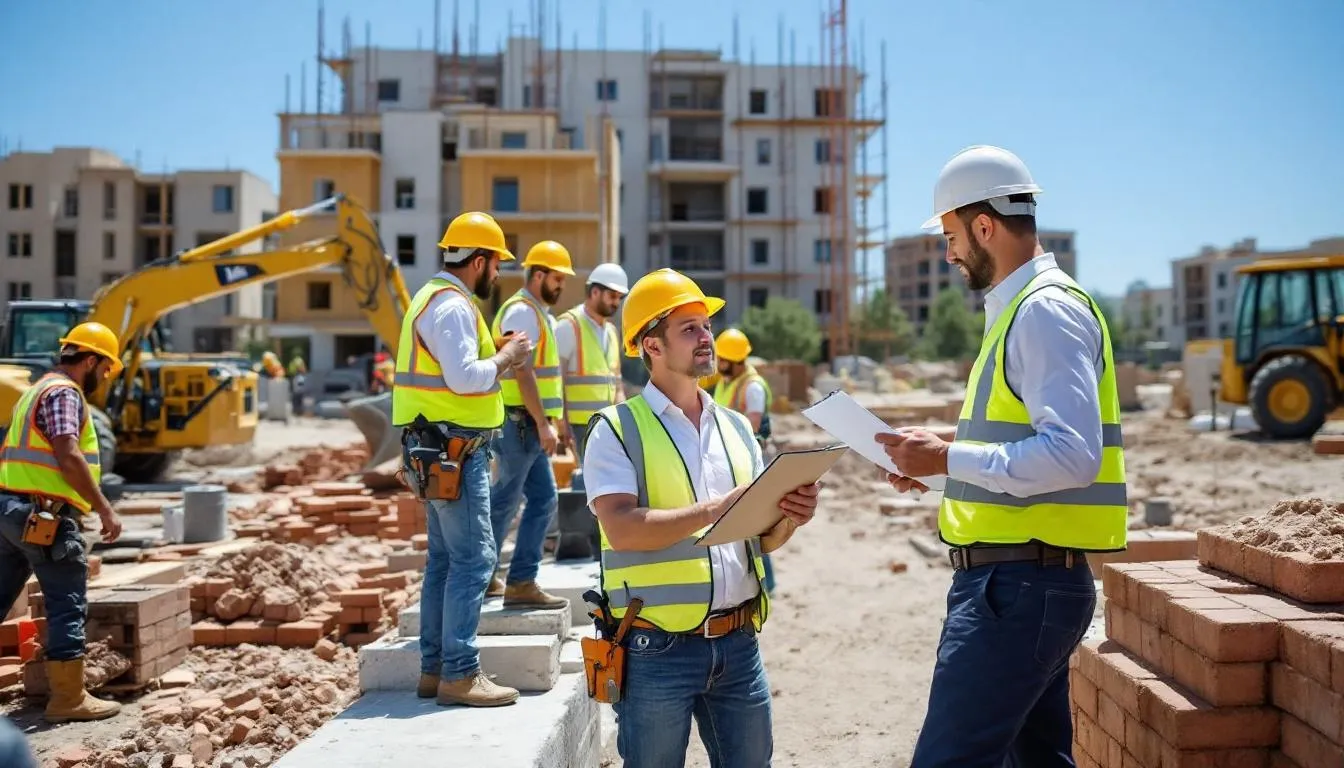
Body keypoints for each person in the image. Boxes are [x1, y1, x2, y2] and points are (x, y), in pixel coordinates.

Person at [879, 145, 1126, 767]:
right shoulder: (1022, 310)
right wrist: (935, 466)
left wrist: (948, 459)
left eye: (950, 235)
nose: (948, 252)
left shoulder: (1043, 311)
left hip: (1019, 586)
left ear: (984, 226)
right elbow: (1017, 451)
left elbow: (1071, 457)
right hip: (1022, 580)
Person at [584, 268, 822, 767]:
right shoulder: (616, 430)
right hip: (654, 651)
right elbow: (622, 528)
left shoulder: (736, 428)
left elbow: (759, 539)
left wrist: (789, 518)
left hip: (738, 646)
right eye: (689, 328)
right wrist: (719, 506)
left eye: (706, 325)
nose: (706, 336)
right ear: (651, 345)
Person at [393, 211, 533, 707]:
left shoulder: (432, 300)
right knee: (475, 559)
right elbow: (465, 379)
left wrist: (491, 352)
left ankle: (436, 669)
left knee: (445, 560)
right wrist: (508, 358)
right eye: (496, 263)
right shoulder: (452, 305)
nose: (498, 273)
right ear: (479, 261)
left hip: (436, 447)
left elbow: (451, 369)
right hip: (454, 451)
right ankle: (459, 673)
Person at [0, 321, 125, 723]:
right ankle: (68, 699)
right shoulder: (63, 393)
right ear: (90, 360)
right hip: (44, 516)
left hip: (10, 512)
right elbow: (67, 453)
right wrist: (104, 507)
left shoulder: (35, 389)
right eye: (105, 369)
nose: (104, 378)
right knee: (66, 602)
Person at [484, 240, 573, 609]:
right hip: (519, 424)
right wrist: (542, 423)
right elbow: (524, 374)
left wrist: (553, 420)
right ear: (538, 275)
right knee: (505, 502)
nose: (561, 285)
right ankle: (484, 575)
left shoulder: (537, 314)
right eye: (557, 277)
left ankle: (519, 581)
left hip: (528, 425)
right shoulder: (522, 313)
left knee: (542, 499)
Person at [711, 328, 778, 593]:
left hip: (747, 461)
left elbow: (751, 425)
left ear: (735, 360)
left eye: (723, 360)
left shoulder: (752, 387)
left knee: (752, 522)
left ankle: (767, 582)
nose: (719, 364)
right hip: (727, 457)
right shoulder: (727, 381)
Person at [554, 262, 628, 466]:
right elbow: (556, 382)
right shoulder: (568, 326)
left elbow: (617, 385)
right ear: (595, 292)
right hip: (577, 428)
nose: (616, 303)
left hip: (606, 426)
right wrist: (562, 426)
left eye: (619, 298)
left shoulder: (612, 332)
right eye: (612, 296)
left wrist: (623, 424)